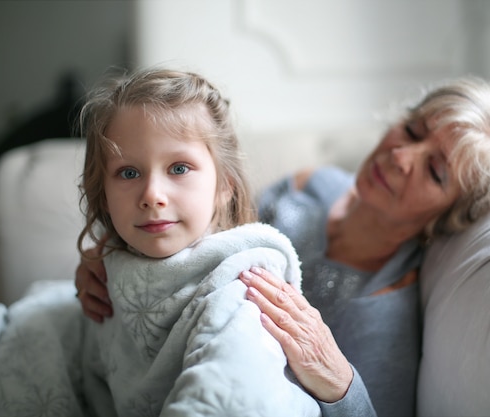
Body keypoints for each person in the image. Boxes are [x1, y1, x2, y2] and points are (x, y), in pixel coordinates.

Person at [75, 76, 490, 416]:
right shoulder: (313, 185)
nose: (399, 155)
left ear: (453, 213)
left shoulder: (384, 305)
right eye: (413, 130)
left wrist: (339, 382)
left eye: (435, 170)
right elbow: (206, 234)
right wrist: (111, 262)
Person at [73, 68, 321, 416]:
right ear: (103, 194)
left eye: (178, 168)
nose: (152, 195)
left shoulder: (241, 292)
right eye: (129, 173)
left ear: (224, 187)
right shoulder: (106, 271)